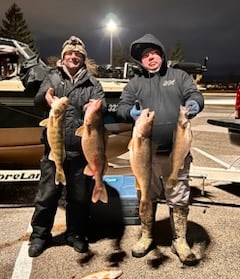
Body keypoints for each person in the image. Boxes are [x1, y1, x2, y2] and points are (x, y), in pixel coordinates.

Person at [117, 33, 204, 265]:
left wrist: (195, 103)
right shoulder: (136, 83)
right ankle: (147, 235)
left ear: (162, 54)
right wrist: (130, 113)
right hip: (146, 154)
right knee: (146, 194)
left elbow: (194, 94)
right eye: (145, 56)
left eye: (154, 53)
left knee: (179, 197)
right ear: (141, 62)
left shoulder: (178, 76)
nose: (150, 58)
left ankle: (180, 239)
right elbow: (122, 106)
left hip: (176, 151)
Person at [28, 36, 106, 257]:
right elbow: (36, 101)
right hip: (54, 151)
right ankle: (39, 236)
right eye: (70, 54)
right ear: (63, 57)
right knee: (47, 196)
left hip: (81, 152)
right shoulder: (52, 77)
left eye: (78, 54)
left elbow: (104, 104)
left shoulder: (93, 83)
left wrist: (98, 106)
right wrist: (46, 98)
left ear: (83, 59)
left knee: (79, 198)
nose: (74, 57)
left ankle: (75, 234)